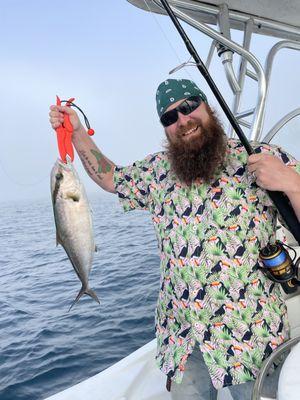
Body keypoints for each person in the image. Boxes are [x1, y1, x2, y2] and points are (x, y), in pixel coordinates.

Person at [49, 78, 300, 400]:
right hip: (182, 337)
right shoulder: (157, 171)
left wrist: (291, 183)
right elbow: (111, 177)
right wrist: (78, 132)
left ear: (206, 106)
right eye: (169, 117)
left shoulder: (261, 157)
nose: (182, 120)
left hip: (251, 335)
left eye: (188, 107)